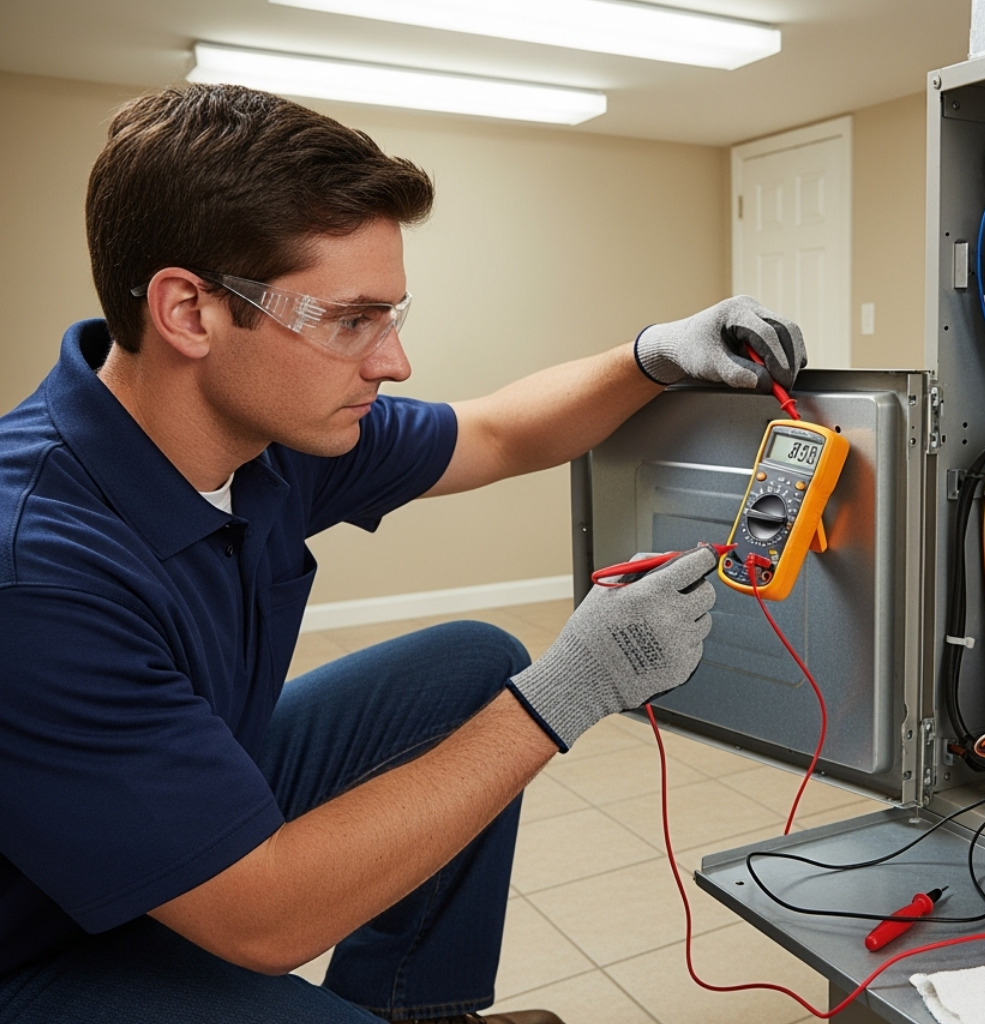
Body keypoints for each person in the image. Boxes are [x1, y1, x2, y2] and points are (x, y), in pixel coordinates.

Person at [0, 84, 805, 1024]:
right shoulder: (36, 570)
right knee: (506, 701)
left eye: (393, 316)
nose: (392, 361)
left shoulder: (265, 439)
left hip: (160, 817)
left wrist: (652, 355)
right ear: (190, 313)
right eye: (350, 321)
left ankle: (415, 1009)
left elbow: (498, 433)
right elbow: (263, 922)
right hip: (37, 941)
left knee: (471, 666)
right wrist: (574, 688)